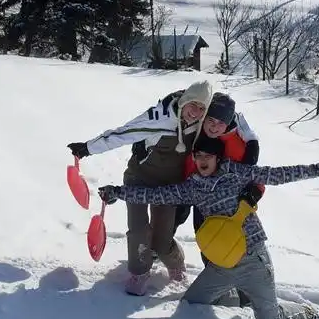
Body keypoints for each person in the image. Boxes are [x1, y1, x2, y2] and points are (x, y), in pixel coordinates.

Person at [97, 134, 319, 319]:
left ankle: (306, 313)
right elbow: (155, 195)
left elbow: (277, 174)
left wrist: (316, 169)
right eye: (197, 155)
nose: (202, 160)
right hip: (222, 266)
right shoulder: (193, 187)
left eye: (207, 156)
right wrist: (118, 192)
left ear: (217, 158)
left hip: (254, 260)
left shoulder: (237, 174)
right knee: (192, 304)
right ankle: (244, 296)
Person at [67, 80, 214, 296]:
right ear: (185, 100)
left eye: (202, 108)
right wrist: (87, 148)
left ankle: (176, 263)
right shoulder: (159, 117)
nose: (196, 112)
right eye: (194, 105)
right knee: (138, 230)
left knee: (162, 239)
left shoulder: (201, 124)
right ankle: (139, 272)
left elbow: (229, 122)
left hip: (169, 186)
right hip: (140, 178)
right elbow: (123, 134)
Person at [172, 92, 263, 307]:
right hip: (200, 200)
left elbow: (254, 174)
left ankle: (244, 293)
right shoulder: (197, 133)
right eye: (210, 121)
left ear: (228, 123)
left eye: (220, 123)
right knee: (208, 244)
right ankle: (218, 288)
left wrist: (255, 192)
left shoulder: (237, 143)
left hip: (232, 206)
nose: (214, 127)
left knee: (236, 247)